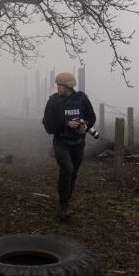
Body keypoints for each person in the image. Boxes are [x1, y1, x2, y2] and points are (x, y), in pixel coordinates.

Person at [42, 72, 96, 221]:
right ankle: (64, 205)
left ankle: (67, 197)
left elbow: (92, 118)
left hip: (78, 143)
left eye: (61, 85)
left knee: (73, 173)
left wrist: (84, 124)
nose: (58, 88)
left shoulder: (82, 99)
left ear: (69, 86)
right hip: (61, 142)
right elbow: (48, 126)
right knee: (67, 169)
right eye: (58, 85)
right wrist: (66, 124)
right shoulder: (53, 101)